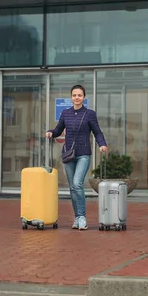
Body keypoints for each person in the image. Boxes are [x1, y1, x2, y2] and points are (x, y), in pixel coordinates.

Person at [46, 85, 107, 230]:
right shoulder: (65, 113)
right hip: (68, 154)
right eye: (74, 95)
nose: (77, 97)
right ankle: (77, 217)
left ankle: (82, 217)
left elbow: (97, 132)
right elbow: (58, 130)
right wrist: (50, 132)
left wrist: (102, 144)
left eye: (79, 95)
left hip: (83, 154)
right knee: (72, 187)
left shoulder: (89, 114)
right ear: (71, 97)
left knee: (77, 183)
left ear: (84, 98)